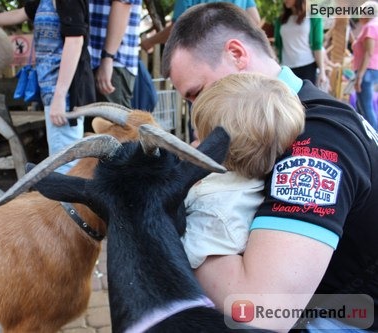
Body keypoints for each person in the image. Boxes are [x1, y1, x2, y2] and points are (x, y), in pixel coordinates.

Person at [162, 2, 378, 331]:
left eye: (199, 93)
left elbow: (260, 310)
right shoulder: (302, 111)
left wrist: (172, 220)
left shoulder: (317, 144)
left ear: (236, 53)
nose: (196, 116)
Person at [182, 72, 305, 271]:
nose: (194, 140)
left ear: (218, 150)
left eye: (201, 138)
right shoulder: (248, 184)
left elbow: (182, 257)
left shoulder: (214, 212)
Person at [0, 0, 95, 174]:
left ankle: (66, 202)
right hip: (54, 92)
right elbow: (20, 13)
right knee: (62, 159)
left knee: (66, 164)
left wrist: (59, 97)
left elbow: (75, 41)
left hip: (66, 94)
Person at [140, 0, 261, 53]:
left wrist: (149, 42)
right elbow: (255, 20)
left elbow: (177, 28)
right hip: (234, 57)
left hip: (203, 61)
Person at [274, 0, 328, 87]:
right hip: (286, 69)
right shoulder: (280, 20)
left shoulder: (313, 17)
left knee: (305, 100)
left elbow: (317, 46)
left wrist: (322, 72)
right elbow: (277, 46)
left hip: (307, 67)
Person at [352, 1, 378, 130]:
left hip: (366, 70)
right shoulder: (374, 25)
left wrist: (359, 76)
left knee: (365, 106)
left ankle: (374, 136)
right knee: (365, 105)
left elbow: (368, 52)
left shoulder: (370, 27)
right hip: (371, 69)